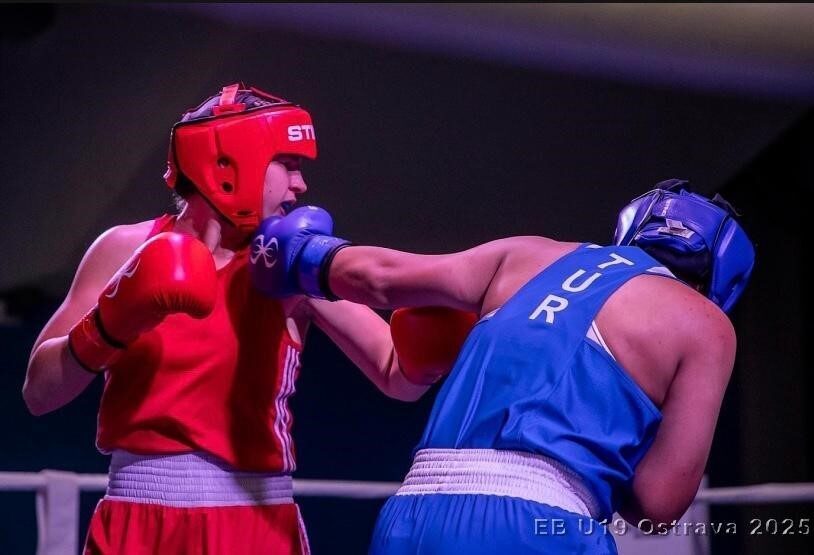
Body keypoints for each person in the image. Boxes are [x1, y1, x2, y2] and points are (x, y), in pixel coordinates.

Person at [22, 83, 475, 555]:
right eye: (289, 165)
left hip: (252, 521)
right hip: (135, 516)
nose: (301, 186)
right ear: (230, 162)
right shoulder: (123, 248)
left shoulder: (293, 261)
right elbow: (39, 392)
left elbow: (395, 375)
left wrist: (433, 347)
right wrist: (112, 321)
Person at [247, 179, 755, 554]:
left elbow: (380, 279)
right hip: (540, 524)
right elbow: (658, 504)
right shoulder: (706, 326)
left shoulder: (527, 253)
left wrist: (297, 255)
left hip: (413, 513)